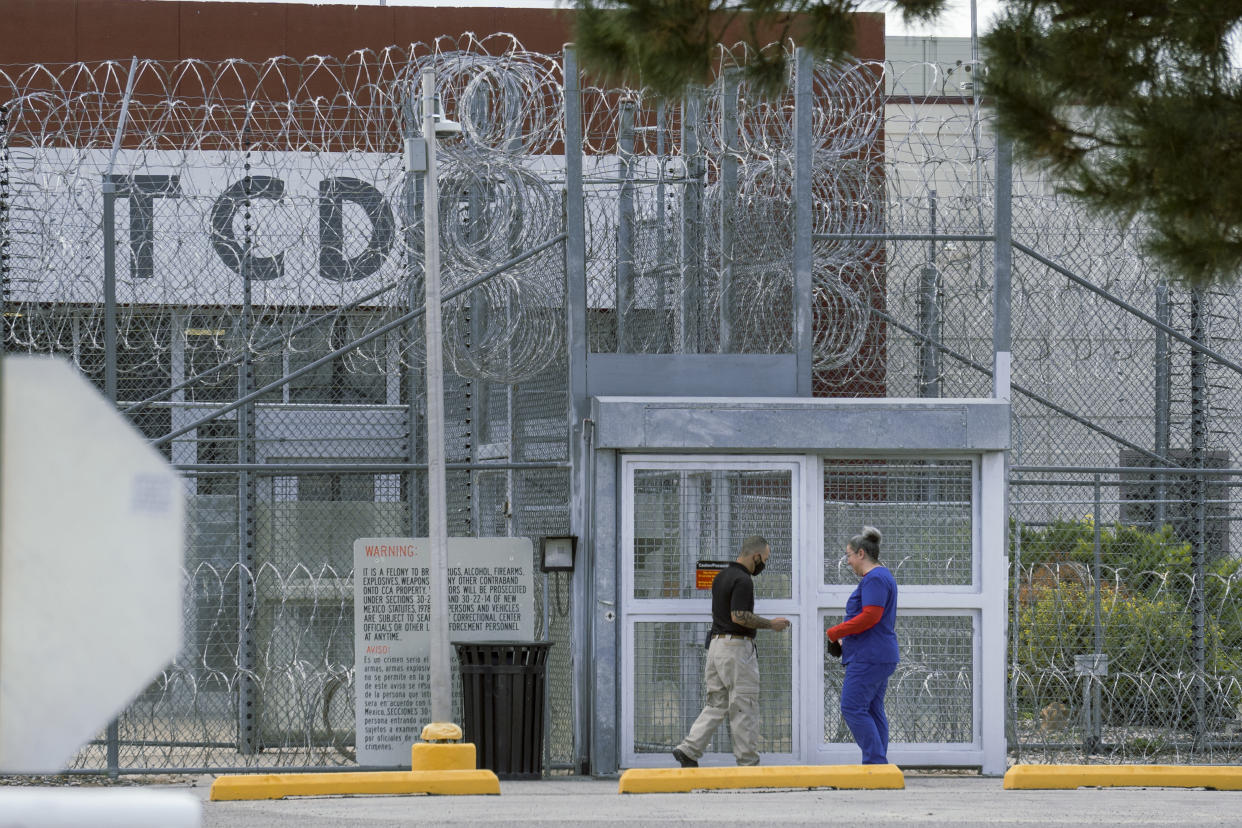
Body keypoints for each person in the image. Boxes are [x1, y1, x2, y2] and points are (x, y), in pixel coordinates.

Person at [672, 535, 791, 768]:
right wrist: (771, 624)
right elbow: (739, 616)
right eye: (764, 559)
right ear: (755, 556)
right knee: (744, 703)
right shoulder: (743, 580)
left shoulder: (722, 577)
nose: (764, 564)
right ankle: (748, 763)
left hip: (716, 646)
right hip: (736, 648)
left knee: (717, 703)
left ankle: (689, 748)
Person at [826, 526, 898, 765]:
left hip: (869, 655)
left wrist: (836, 632)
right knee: (873, 709)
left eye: (848, 555)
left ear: (860, 553)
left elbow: (870, 616)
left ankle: (875, 762)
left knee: (851, 706)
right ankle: (879, 765)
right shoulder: (882, 576)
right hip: (878, 654)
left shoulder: (875, 578)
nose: (847, 562)